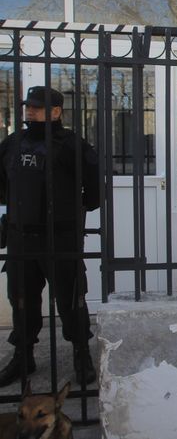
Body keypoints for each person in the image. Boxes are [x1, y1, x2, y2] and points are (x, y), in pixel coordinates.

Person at [0, 86, 99, 387]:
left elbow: (94, 190)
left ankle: (81, 353)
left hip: (61, 238)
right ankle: (23, 355)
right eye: (28, 107)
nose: (30, 112)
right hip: (21, 239)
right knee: (21, 299)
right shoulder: (13, 143)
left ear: (56, 112)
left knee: (71, 301)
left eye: (37, 107)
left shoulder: (72, 145)